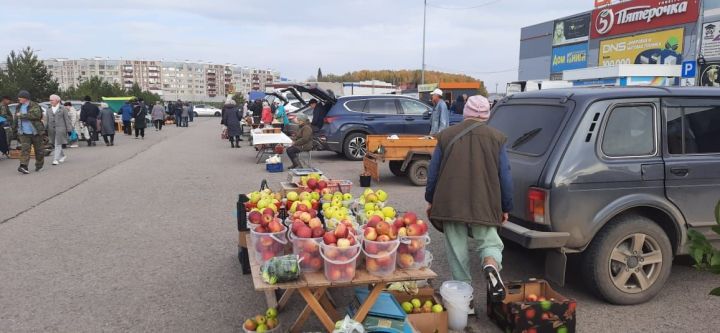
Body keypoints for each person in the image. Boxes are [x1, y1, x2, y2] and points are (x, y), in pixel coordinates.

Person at [425, 95, 513, 303]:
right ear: (487, 114)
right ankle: (490, 263)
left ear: (466, 112)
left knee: (457, 249)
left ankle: (466, 301)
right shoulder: (497, 137)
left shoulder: (446, 135)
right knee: (489, 241)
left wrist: (430, 199)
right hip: (485, 202)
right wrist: (506, 206)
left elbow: (433, 172)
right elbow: (506, 175)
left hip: (451, 202)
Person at [13, 90, 45, 173]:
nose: (18, 98)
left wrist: (22, 115)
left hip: (36, 132)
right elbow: (16, 118)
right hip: (23, 133)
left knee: (39, 151)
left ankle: (39, 165)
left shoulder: (34, 105)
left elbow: (37, 115)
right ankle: (23, 166)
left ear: (25, 98)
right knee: (25, 150)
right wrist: (14, 130)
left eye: (20, 97)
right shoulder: (18, 106)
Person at [46, 95, 72, 166]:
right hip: (51, 130)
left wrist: (69, 130)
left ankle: (55, 159)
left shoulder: (63, 108)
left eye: (52, 100)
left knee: (57, 143)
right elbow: (47, 121)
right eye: (50, 100)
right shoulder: (48, 109)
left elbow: (67, 119)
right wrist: (46, 129)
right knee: (55, 144)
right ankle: (62, 156)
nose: (50, 101)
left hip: (61, 129)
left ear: (57, 100)